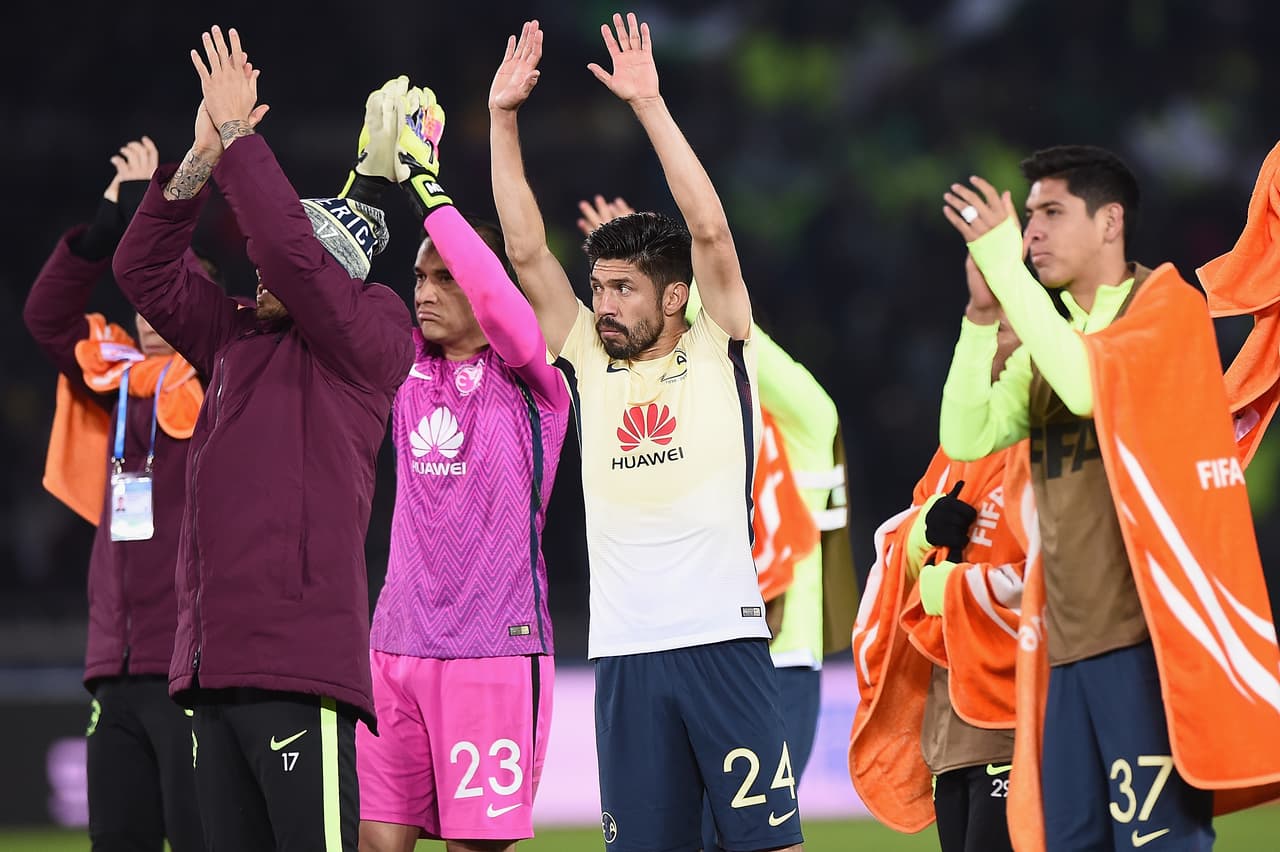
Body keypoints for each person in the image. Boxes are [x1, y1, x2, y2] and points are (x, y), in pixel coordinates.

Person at [490, 16, 803, 851]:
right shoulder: (589, 356)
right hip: (626, 656)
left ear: (673, 298)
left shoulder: (716, 341)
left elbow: (709, 233)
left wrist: (651, 105)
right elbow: (525, 251)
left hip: (725, 643)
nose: (603, 305)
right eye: (598, 287)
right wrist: (501, 118)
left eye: (623, 288)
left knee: (770, 846)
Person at [112, 27, 414, 852]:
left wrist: (245, 136)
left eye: (284, 266)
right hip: (210, 669)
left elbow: (284, 250)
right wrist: (204, 154)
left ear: (332, 273)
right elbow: (140, 270)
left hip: (297, 666)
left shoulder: (373, 336)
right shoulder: (234, 337)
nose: (257, 275)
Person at [939, 146, 1280, 851]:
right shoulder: (1051, 335)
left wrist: (1005, 269)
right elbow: (968, 435)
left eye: (1051, 213)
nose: (1030, 233)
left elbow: (1090, 386)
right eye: (1027, 218)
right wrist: (980, 320)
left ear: (1110, 222)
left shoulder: (1168, 310)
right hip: (1064, 648)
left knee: (1160, 842)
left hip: (1145, 643)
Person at [577, 195, 855, 852]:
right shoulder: (693, 403)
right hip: (702, 636)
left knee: (753, 839)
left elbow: (746, 346)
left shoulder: (804, 423)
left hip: (773, 650)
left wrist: (686, 293)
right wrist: (640, 287)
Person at [354, 78, 569, 852]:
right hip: (395, 645)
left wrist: (426, 183)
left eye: (444, 278)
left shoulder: (535, 380)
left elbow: (498, 295)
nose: (425, 291)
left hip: (494, 650)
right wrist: (370, 183)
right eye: (418, 276)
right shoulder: (401, 363)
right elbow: (322, 287)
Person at [25, 136, 206, 852]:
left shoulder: (226, 383)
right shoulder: (115, 377)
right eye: (144, 299)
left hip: (190, 669)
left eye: (169, 297)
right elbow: (46, 318)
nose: (151, 314)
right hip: (115, 667)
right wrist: (106, 228)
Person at [849, 297, 1025, 852]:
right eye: (986, 326)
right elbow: (901, 542)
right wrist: (926, 528)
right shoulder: (955, 447)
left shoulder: (1050, 438)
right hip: (949, 724)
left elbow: (1065, 570)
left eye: (1008, 326)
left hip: (1015, 714)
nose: (997, 341)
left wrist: (946, 586)